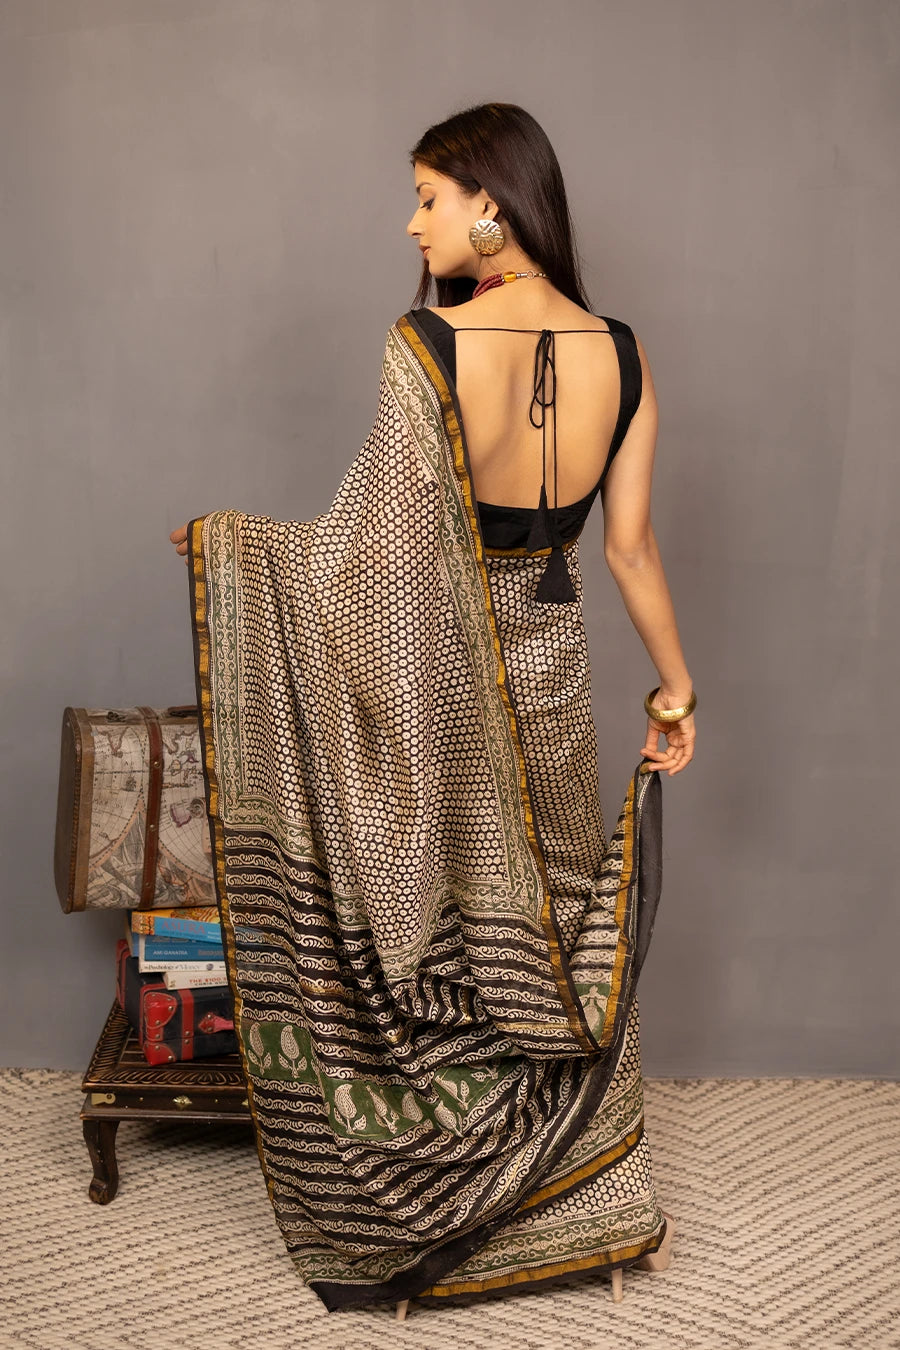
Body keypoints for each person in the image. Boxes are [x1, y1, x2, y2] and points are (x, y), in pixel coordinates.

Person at [168, 102, 696, 1317]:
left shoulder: (427, 347)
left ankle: (437, 1216)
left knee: (439, 925)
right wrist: (676, 685)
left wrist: (229, 551)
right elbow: (629, 551)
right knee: (552, 927)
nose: (411, 223)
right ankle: (592, 1212)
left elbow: (371, 559)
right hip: (554, 675)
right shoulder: (623, 346)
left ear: (491, 206)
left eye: (426, 197)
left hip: (446, 691)